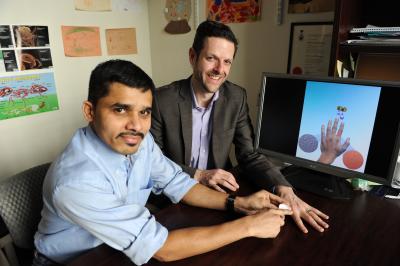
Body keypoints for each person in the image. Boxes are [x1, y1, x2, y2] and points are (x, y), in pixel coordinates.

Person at [33, 60, 292, 266]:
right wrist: (249, 226)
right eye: (120, 109)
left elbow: (178, 183)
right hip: (79, 260)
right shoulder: (77, 181)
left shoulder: (138, 142)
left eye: (144, 112)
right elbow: (162, 249)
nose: (135, 125)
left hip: (118, 245)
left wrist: (237, 204)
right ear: (90, 111)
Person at [151, 20, 329, 234]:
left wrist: (283, 188)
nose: (219, 69)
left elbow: (250, 155)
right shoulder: (161, 100)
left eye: (227, 62)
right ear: (192, 57)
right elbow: (152, 162)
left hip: (222, 197)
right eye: (211, 59)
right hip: (173, 199)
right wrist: (199, 174)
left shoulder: (236, 97)